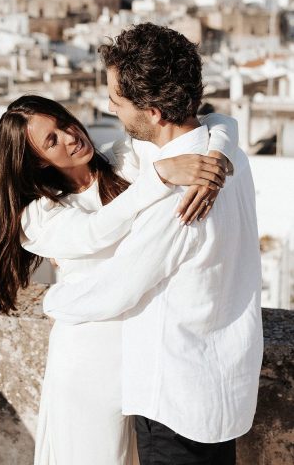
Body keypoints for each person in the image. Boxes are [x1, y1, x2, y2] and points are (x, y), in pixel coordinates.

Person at [0, 88, 237, 465]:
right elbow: (96, 230)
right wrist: (159, 177)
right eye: (52, 140)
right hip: (88, 364)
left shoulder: (124, 161)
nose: (71, 136)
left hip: (147, 354)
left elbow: (217, 123)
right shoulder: (38, 216)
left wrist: (219, 153)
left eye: (64, 123)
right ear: (37, 162)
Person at [43, 24, 263, 465]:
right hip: (224, 387)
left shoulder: (180, 195)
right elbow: (221, 124)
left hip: (176, 399)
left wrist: (54, 300)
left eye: (117, 101)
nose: (109, 109)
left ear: (156, 112)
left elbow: (119, 287)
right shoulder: (227, 157)